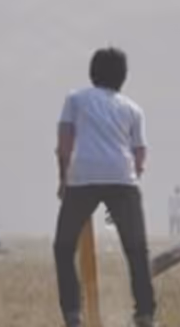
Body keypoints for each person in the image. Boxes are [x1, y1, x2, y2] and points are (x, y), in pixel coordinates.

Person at [53, 47, 155, 327]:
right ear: (123, 77)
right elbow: (140, 154)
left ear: (92, 72)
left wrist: (63, 179)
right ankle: (145, 314)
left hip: (83, 176)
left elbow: (64, 143)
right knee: (136, 250)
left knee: (64, 247)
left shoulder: (75, 99)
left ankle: (73, 315)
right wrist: (129, 188)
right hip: (122, 177)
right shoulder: (133, 108)